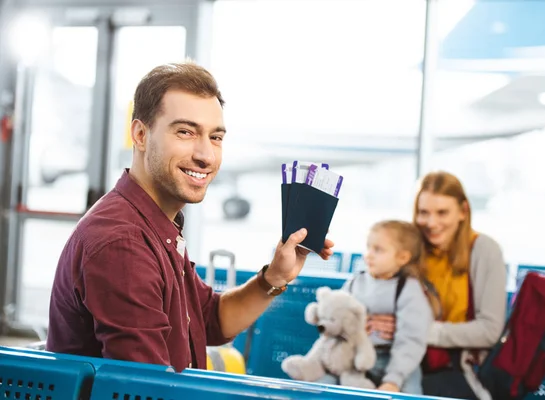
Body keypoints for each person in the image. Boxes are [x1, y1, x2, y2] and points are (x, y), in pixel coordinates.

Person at [45, 62, 334, 372]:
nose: (206, 155)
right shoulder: (123, 243)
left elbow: (210, 318)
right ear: (140, 135)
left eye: (216, 137)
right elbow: (146, 391)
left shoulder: (153, 224)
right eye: (185, 132)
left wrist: (275, 276)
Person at [368, 171, 506, 399]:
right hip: (392, 358)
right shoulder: (407, 248)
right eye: (424, 213)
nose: (431, 223)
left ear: (463, 212)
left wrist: (414, 330)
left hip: (452, 368)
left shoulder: (484, 250)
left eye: (442, 213)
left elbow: (489, 330)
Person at [319, 220, 434, 394]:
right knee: (323, 385)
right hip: (354, 360)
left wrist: (393, 380)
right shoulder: (357, 281)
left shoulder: (408, 290)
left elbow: (411, 341)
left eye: (378, 250)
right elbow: (335, 313)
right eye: (368, 247)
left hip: (395, 363)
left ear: (402, 257)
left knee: (409, 391)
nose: (369, 255)